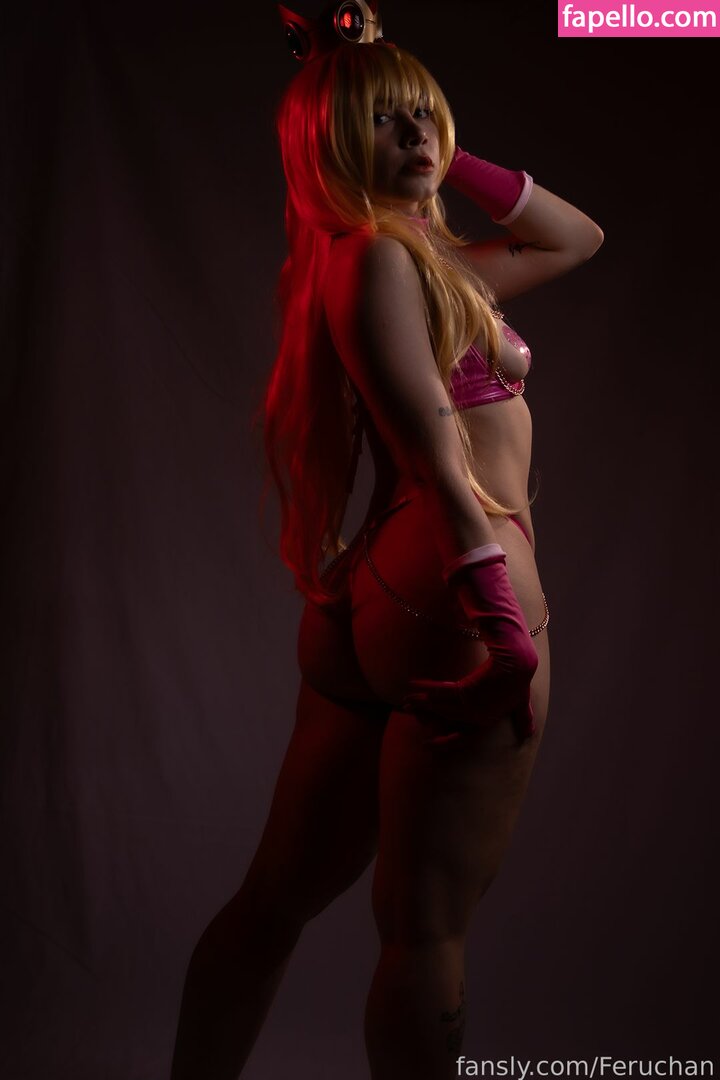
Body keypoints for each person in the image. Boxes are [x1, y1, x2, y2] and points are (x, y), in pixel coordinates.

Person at [170, 9, 603, 1078]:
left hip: (392, 589)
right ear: (331, 143)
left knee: (277, 900)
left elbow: (575, 237)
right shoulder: (375, 260)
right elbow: (436, 459)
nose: (413, 135)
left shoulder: (413, 260)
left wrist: (448, 154)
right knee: (424, 931)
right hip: (455, 586)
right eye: (383, 120)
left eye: (423, 115)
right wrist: (503, 628)